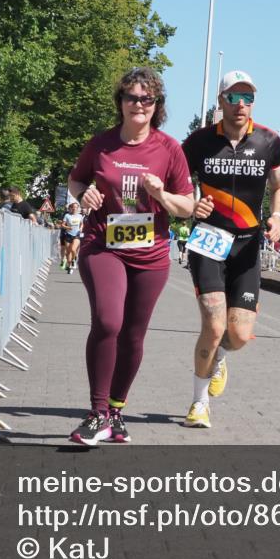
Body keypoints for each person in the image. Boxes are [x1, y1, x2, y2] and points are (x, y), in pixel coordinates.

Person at [66, 66, 195, 445]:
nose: (139, 104)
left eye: (147, 99)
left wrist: (160, 195)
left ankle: (117, 411)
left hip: (150, 254)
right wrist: (83, 193)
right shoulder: (101, 144)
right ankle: (97, 413)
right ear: (120, 103)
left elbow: (187, 206)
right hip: (103, 244)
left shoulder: (169, 149)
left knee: (134, 335)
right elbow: (77, 179)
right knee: (108, 321)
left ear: (157, 106)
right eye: (131, 97)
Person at [180, 70, 280, 429]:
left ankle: (221, 357)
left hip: (246, 246)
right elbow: (176, 182)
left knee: (238, 334)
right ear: (220, 100)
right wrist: (191, 204)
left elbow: (279, 186)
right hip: (208, 241)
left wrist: (276, 216)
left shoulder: (270, 141)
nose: (241, 105)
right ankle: (198, 403)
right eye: (234, 97)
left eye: (248, 98)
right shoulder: (198, 142)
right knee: (212, 324)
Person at [60, 201, 85, 273]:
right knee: (68, 252)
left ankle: (74, 259)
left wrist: (81, 228)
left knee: (73, 249)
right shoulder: (67, 216)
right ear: (70, 208)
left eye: (76, 207)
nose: (74, 209)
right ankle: (69, 266)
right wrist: (67, 227)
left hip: (76, 234)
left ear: (78, 208)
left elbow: (82, 224)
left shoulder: (80, 216)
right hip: (68, 234)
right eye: (73, 207)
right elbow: (62, 225)